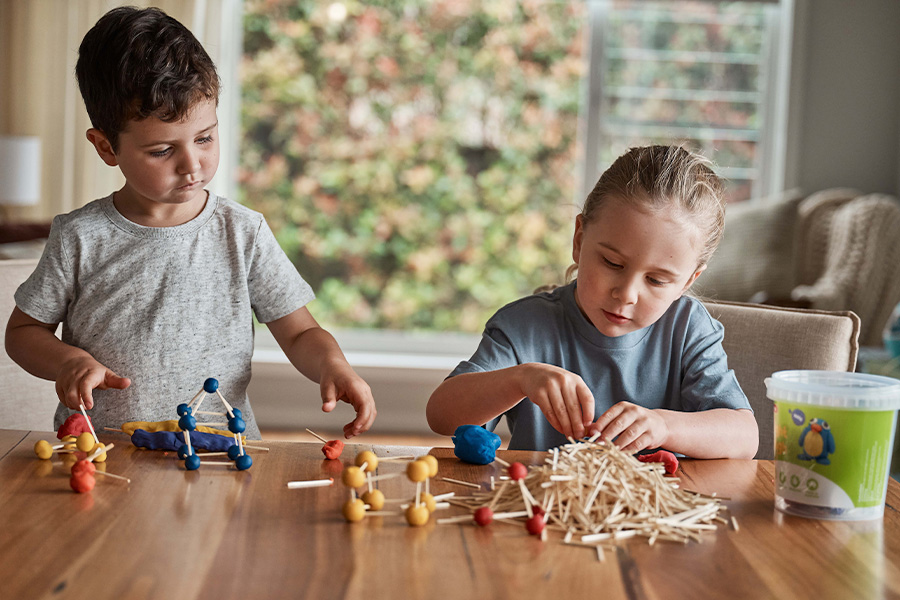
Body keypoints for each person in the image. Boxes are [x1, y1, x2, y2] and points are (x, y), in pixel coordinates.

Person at [5, 7, 376, 440]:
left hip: (219, 452)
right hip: (106, 455)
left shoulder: (243, 232)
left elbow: (300, 333)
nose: (192, 164)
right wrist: (67, 360)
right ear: (107, 147)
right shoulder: (79, 236)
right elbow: (24, 332)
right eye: (162, 150)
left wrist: (334, 364)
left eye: (204, 138)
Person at [427, 145, 758, 458]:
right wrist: (519, 378)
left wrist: (664, 426)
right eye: (612, 264)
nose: (626, 294)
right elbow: (441, 415)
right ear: (580, 239)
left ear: (687, 282)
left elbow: (744, 436)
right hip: (544, 510)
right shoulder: (525, 327)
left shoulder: (688, 328)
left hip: (658, 513)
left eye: (656, 280)